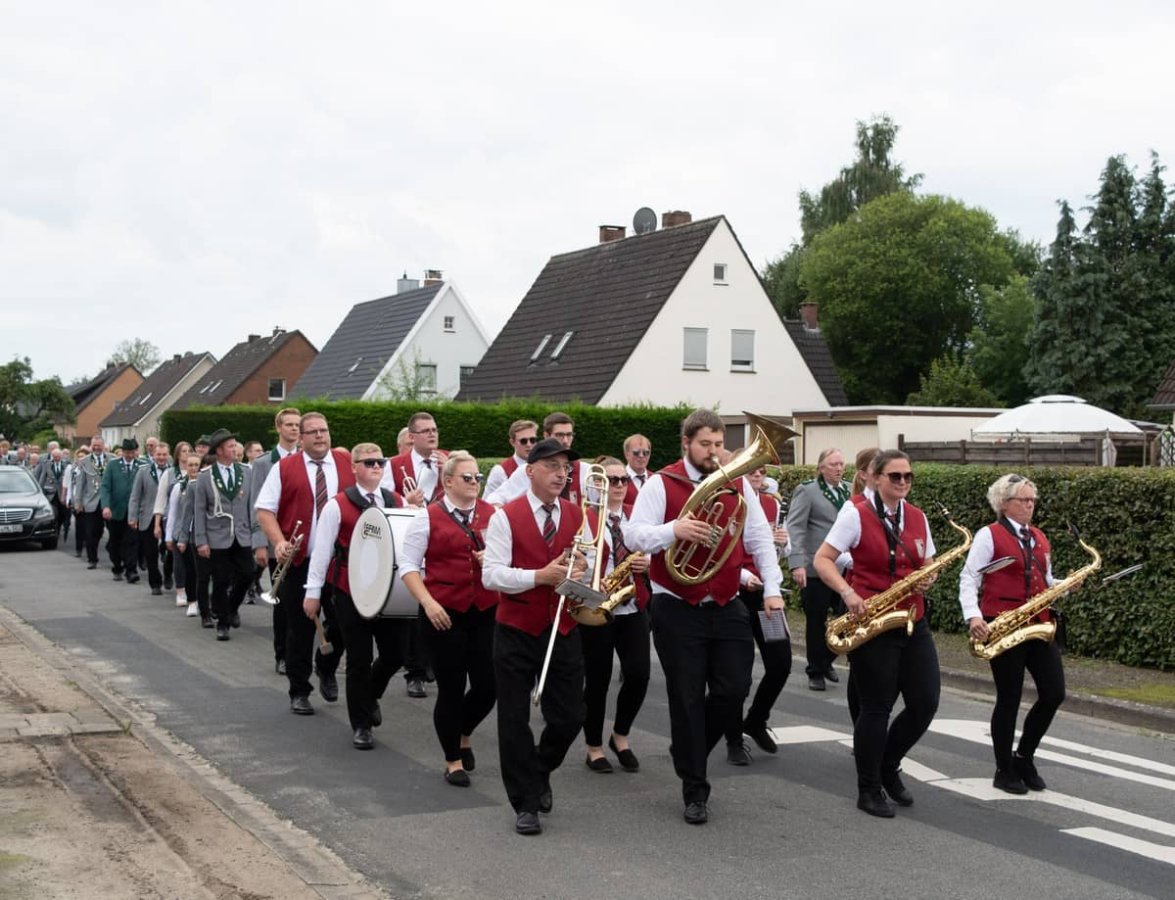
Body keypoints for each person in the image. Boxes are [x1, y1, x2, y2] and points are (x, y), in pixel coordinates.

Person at [624, 409, 785, 826]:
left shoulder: (735, 484)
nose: (714, 453)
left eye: (718, 445)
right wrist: (674, 531)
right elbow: (633, 534)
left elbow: (759, 538)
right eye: (705, 445)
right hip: (676, 604)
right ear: (686, 444)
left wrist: (771, 588)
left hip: (726, 600)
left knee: (734, 689)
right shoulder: (663, 482)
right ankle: (695, 789)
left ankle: (689, 750)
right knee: (688, 697)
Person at [813, 450, 940, 819]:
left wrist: (928, 573)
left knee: (925, 702)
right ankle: (868, 788)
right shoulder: (855, 513)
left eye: (908, 477)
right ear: (876, 478)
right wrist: (848, 593)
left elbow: (926, 559)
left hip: (913, 619)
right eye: (895, 476)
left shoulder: (917, 517)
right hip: (872, 621)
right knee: (877, 706)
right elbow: (823, 558)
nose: (903, 483)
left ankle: (888, 764)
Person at [482, 438, 588, 836]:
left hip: (562, 626)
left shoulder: (577, 515)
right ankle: (524, 802)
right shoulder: (504, 517)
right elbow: (490, 574)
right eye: (553, 466)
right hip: (516, 629)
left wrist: (580, 570)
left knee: (571, 716)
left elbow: (589, 565)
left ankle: (540, 768)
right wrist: (538, 577)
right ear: (531, 471)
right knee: (514, 719)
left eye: (566, 468)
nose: (562, 474)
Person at [959, 473, 1064, 795]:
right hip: (1002, 624)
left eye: (1033, 500)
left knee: (1053, 693)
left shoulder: (1039, 537)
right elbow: (968, 577)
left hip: (1038, 623)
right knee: (1009, 697)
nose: (1031, 505)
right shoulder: (988, 535)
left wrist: (1064, 586)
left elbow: (1044, 581)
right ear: (1004, 504)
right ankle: (1004, 769)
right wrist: (973, 616)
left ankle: (1024, 757)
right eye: (1024, 500)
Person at [401, 450, 499, 783]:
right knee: (452, 687)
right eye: (467, 478)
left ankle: (464, 730)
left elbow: (509, 559)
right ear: (448, 482)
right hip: (444, 612)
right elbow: (409, 567)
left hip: (485, 610)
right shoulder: (427, 517)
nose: (474, 483)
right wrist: (428, 603)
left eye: (478, 478)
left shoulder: (492, 514)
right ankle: (452, 759)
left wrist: (494, 559)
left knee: (489, 686)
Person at [303, 442, 407, 749]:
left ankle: (370, 694)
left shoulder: (396, 500)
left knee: (395, 655)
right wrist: (312, 592)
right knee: (359, 658)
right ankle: (361, 724)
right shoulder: (337, 504)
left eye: (381, 462)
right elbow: (322, 552)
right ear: (354, 468)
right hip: (351, 588)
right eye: (369, 462)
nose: (376, 467)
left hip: (387, 588)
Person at [255, 412, 352, 713]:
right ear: (301, 437)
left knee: (343, 623)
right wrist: (279, 541)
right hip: (300, 560)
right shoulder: (284, 468)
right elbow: (265, 510)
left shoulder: (347, 465)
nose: (320, 436)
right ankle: (299, 689)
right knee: (299, 627)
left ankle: (326, 664)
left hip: (339, 562)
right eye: (312, 432)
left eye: (324, 430)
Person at [579, 457, 651, 775]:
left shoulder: (638, 518)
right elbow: (574, 564)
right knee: (597, 679)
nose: (620, 485)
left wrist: (648, 563)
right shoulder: (584, 519)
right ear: (598, 484)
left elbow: (661, 552)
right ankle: (593, 747)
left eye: (623, 480)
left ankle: (620, 736)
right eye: (612, 480)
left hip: (632, 604)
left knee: (638, 674)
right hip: (597, 605)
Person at [724, 464, 792, 764]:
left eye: (761, 471)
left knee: (781, 663)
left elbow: (783, 550)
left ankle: (756, 719)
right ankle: (733, 739)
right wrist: (742, 577)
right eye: (749, 470)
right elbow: (720, 553)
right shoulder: (727, 501)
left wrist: (783, 542)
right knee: (738, 673)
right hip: (736, 595)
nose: (756, 476)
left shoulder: (771, 503)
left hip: (766, 596)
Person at [382, 412, 448, 697]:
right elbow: (383, 499)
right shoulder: (395, 464)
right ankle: (415, 672)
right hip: (409, 536)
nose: (432, 435)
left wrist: (448, 470)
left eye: (434, 430)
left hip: (440, 538)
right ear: (412, 436)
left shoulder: (448, 460)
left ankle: (432, 661)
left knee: (437, 600)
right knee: (413, 607)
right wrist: (404, 501)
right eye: (425, 431)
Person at [787, 448, 851, 692]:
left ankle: (825, 659)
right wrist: (797, 564)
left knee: (848, 617)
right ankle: (815, 670)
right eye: (833, 464)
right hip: (816, 567)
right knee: (816, 621)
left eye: (841, 464)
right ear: (821, 467)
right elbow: (796, 527)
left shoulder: (847, 490)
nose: (838, 468)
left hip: (844, 567)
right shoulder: (808, 490)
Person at [250, 408, 302, 675]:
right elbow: (256, 505)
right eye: (289, 424)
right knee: (282, 599)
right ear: (278, 427)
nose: (294, 429)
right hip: (276, 541)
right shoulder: (262, 463)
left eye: (297, 425)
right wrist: (260, 543)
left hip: (303, 540)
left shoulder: (307, 459)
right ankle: (282, 653)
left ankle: (301, 652)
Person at [192, 429, 255, 641]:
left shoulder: (246, 472)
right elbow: (199, 511)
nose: (235, 449)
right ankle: (223, 623)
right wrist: (201, 541)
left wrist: (256, 534)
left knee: (248, 574)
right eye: (230, 446)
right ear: (219, 451)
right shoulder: (205, 476)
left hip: (242, 534)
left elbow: (252, 505)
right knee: (220, 580)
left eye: (235, 445)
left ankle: (231, 607)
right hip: (216, 536)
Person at [485, 412, 595, 506]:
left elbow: (603, 507)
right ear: (546, 436)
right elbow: (494, 500)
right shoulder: (528, 470)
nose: (565, 441)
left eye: (569, 435)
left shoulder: (586, 470)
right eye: (559, 435)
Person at [129, 441, 170, 596]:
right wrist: (132, 517)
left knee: (169, 550)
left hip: (168, 516)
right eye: (158, 455)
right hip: (148, 516)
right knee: (150, 552)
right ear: (153, 455)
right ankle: (155, 583)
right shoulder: (143, 471)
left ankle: (168, 573)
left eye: (164, 455)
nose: (161, 458)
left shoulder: (174, 472)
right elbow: (135, 496)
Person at [100, 438, 143, 583]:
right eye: (127, 452)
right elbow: (105, 487)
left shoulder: (142, 466)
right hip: (116, 510)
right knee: (115, 542)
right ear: (123, 452)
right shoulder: (113, 465)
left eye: (132, 452)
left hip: (134, 512)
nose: (130, 455)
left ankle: (131, 570)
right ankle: (117, 567)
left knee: (132, 541)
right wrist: (106, 506)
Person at [169, 453, 206, 619]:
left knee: (204, 571)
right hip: (188, 533)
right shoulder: (181, 486)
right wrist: (175, 537)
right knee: (190, 569)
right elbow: (176, 513)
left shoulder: (205, 484)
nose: (193, 468)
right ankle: (192, 601)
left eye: (196, 465)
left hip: (204, 533)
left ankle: (205, 600)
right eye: (190, 465)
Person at [483, 419, 539, 500]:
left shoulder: (542, 466)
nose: (529, 444)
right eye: (523, 441)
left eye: (532, 440)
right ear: (512, 442)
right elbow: (487, 504)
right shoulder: (500, 471)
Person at [622, 434, 652, 505]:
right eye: (636, 453)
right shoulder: (618, 479)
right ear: (626, 454)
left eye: (646, 453)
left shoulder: (656, 479)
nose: (641, 456)